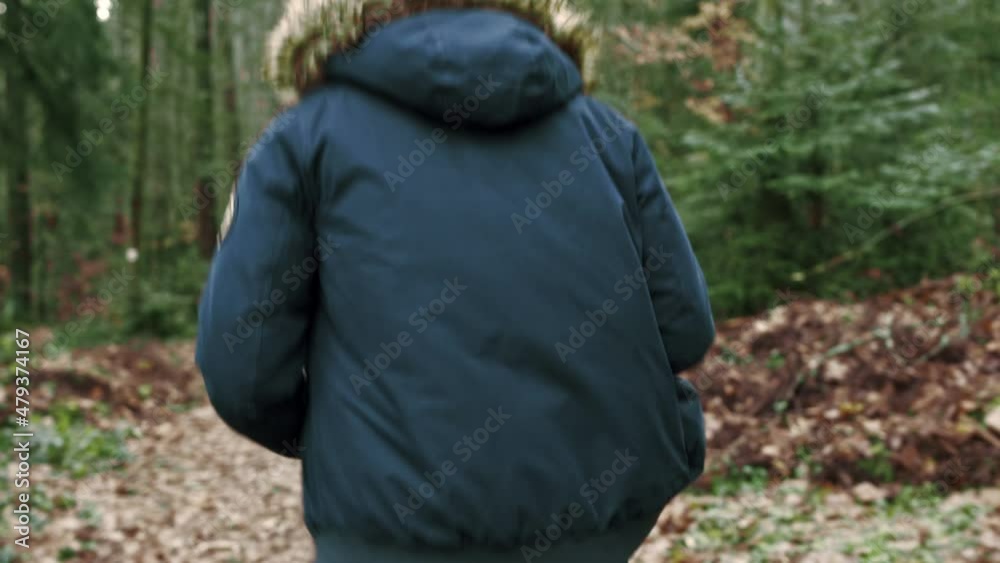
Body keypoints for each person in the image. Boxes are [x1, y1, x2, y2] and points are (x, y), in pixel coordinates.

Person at [196, 1, 715, 561]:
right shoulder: (608, 135)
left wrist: (337, 438)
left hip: (390, 531)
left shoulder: (304, 140)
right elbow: (683, 329)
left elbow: (242, 367)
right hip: (593, 526)